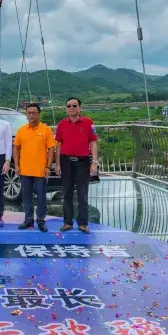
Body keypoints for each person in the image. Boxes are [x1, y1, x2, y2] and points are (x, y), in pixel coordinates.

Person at [54, 97, 98, 233]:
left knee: (82, 194)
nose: (71, 108)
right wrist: (57, 164)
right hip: (66, 161)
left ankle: (83, 223)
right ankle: (67, 223)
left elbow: (93, 142)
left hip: (83, 162)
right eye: (69, 106)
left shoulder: (88, 123)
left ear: (80, 108)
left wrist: (94, 162)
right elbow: (58, 144)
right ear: (66, 108)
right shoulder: (62, 124)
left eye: (74, 105)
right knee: (67, 192)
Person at [13, 103, 56, 232]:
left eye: (34, 112)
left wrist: (48, 167)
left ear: (38, 114)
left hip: (41, 171)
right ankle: (28, 220)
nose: (31, 115)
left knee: (41, 197)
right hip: (25, 170)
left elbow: (51, 149)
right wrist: (16, 165)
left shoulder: (46, 130)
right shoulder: (21, 130)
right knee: (27, 197)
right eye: (29, 112)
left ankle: (41, 221)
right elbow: (16, 148)